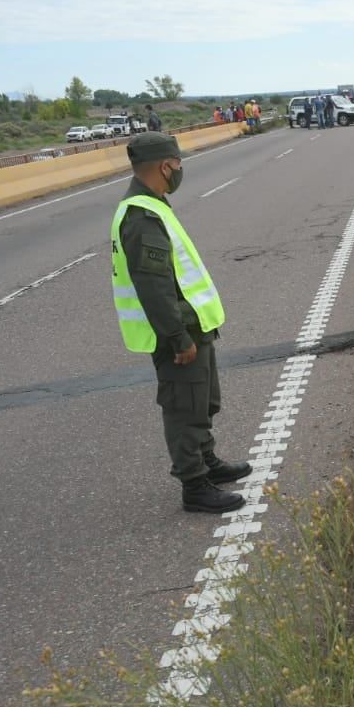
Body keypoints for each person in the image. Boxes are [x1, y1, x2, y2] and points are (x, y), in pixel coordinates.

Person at [109, 132, 252, 514]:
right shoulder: (141, 216)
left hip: (193, 325)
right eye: (178, 163)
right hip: (178, 332)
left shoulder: (153, 205)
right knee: (184, 409)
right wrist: (176, 337)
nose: (180, 169)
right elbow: (153, 287)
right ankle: (194, 485)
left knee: (203, 402)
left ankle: (208, 461)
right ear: (164, 165)